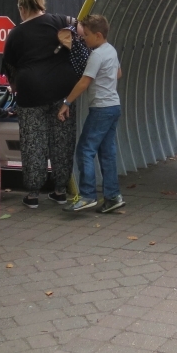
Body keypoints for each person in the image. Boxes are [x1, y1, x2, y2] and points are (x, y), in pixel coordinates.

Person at [2, 0, 87, 209]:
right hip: (63, 92)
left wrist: (15, 89)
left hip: (31, 93)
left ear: (22, 7)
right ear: (42, 3)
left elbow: (10, 69)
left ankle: (32, 193)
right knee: (62, 140)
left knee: (33, 141)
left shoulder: (16, 33)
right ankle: (60, 190)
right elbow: (82, 29)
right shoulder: (62, 20)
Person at [58, 14, 123, 214]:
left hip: (101, 108)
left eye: (86, 35)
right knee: (107, 152)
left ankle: (87, 196)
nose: (83, 38)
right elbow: (118, 73)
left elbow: (84, 82)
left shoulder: (96, 55)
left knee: (85, 150)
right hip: (114, 106)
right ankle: (112, 196)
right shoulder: (110, 51)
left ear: (97, 34)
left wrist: (66, 102)